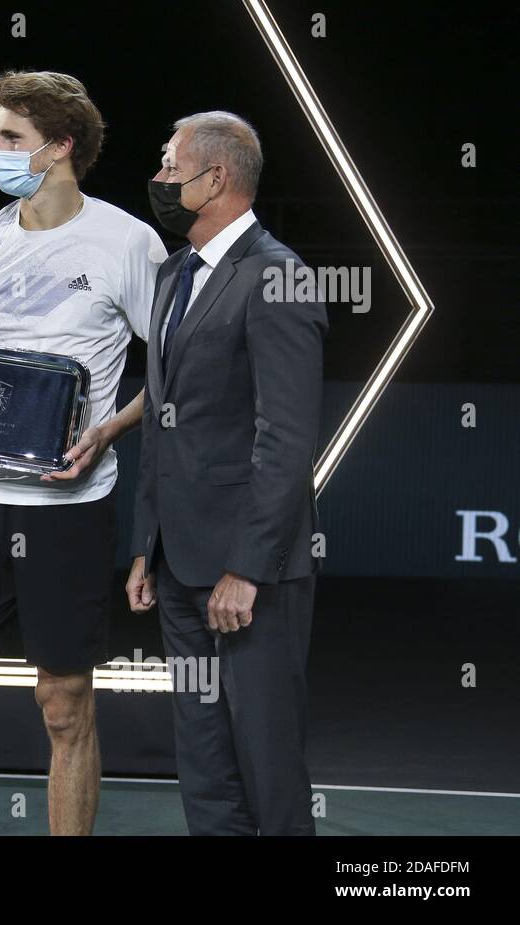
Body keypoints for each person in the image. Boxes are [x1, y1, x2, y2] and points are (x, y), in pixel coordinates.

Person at [0, 70, 166, 835]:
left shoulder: (127, 241)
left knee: (65, 707)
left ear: (60, 146)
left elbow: (172, 370)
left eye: (12, 138)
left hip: (70, 510)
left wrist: (105, 431)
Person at [127, 112, 327, 835]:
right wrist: (145, 545)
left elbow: (286, 437)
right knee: (204, 759)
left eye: (166, 159)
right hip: (179, 567)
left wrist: (248, 566)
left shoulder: (279, 276)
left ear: (214, 178)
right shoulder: (174, 275)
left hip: (249, 578)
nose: (156, 175)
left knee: (266, 759)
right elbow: (164, 422)